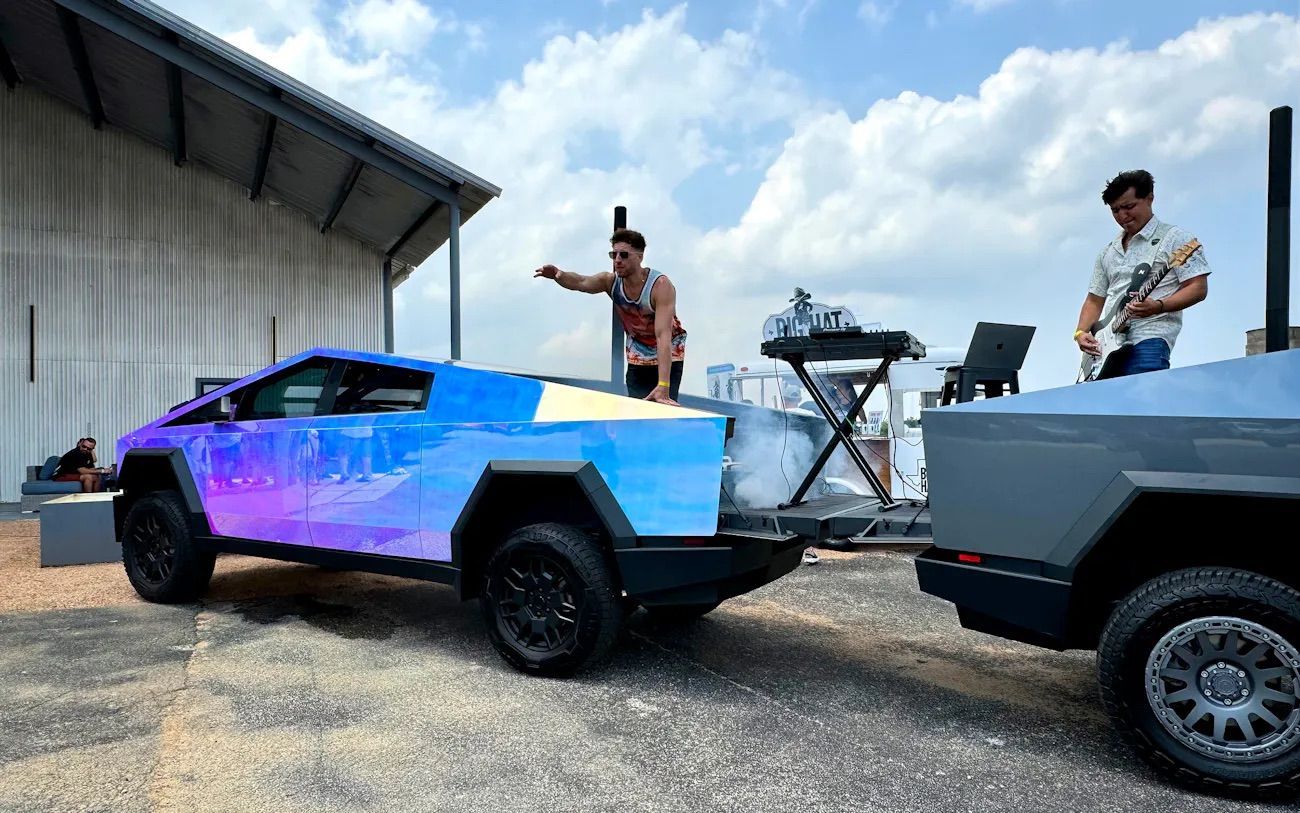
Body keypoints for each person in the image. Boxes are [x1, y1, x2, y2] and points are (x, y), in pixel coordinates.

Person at [1074, 169, 1210, 378]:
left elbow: (1197, 288)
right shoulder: (1108, 252)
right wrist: (1081, 333)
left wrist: (1159, 306)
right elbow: (1094, 300)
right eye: (1115, 210)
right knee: (1105, 409)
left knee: (1143, 401)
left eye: (1129, 207)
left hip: (1150, 337)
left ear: (1149, 198)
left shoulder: (1175, 238)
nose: (1122, 216)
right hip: (1105, 348)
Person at [534, 228, 687, 404]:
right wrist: (558, 275)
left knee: (662, 403)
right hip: (638, 354)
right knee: (639, 407)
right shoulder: (610, 281)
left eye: (623, 255)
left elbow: (663, 335)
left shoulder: (660, 285)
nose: (618, 260)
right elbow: (581, 282)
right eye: (613, 255)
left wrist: (663, 385)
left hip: (669, 352)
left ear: (640, 256)